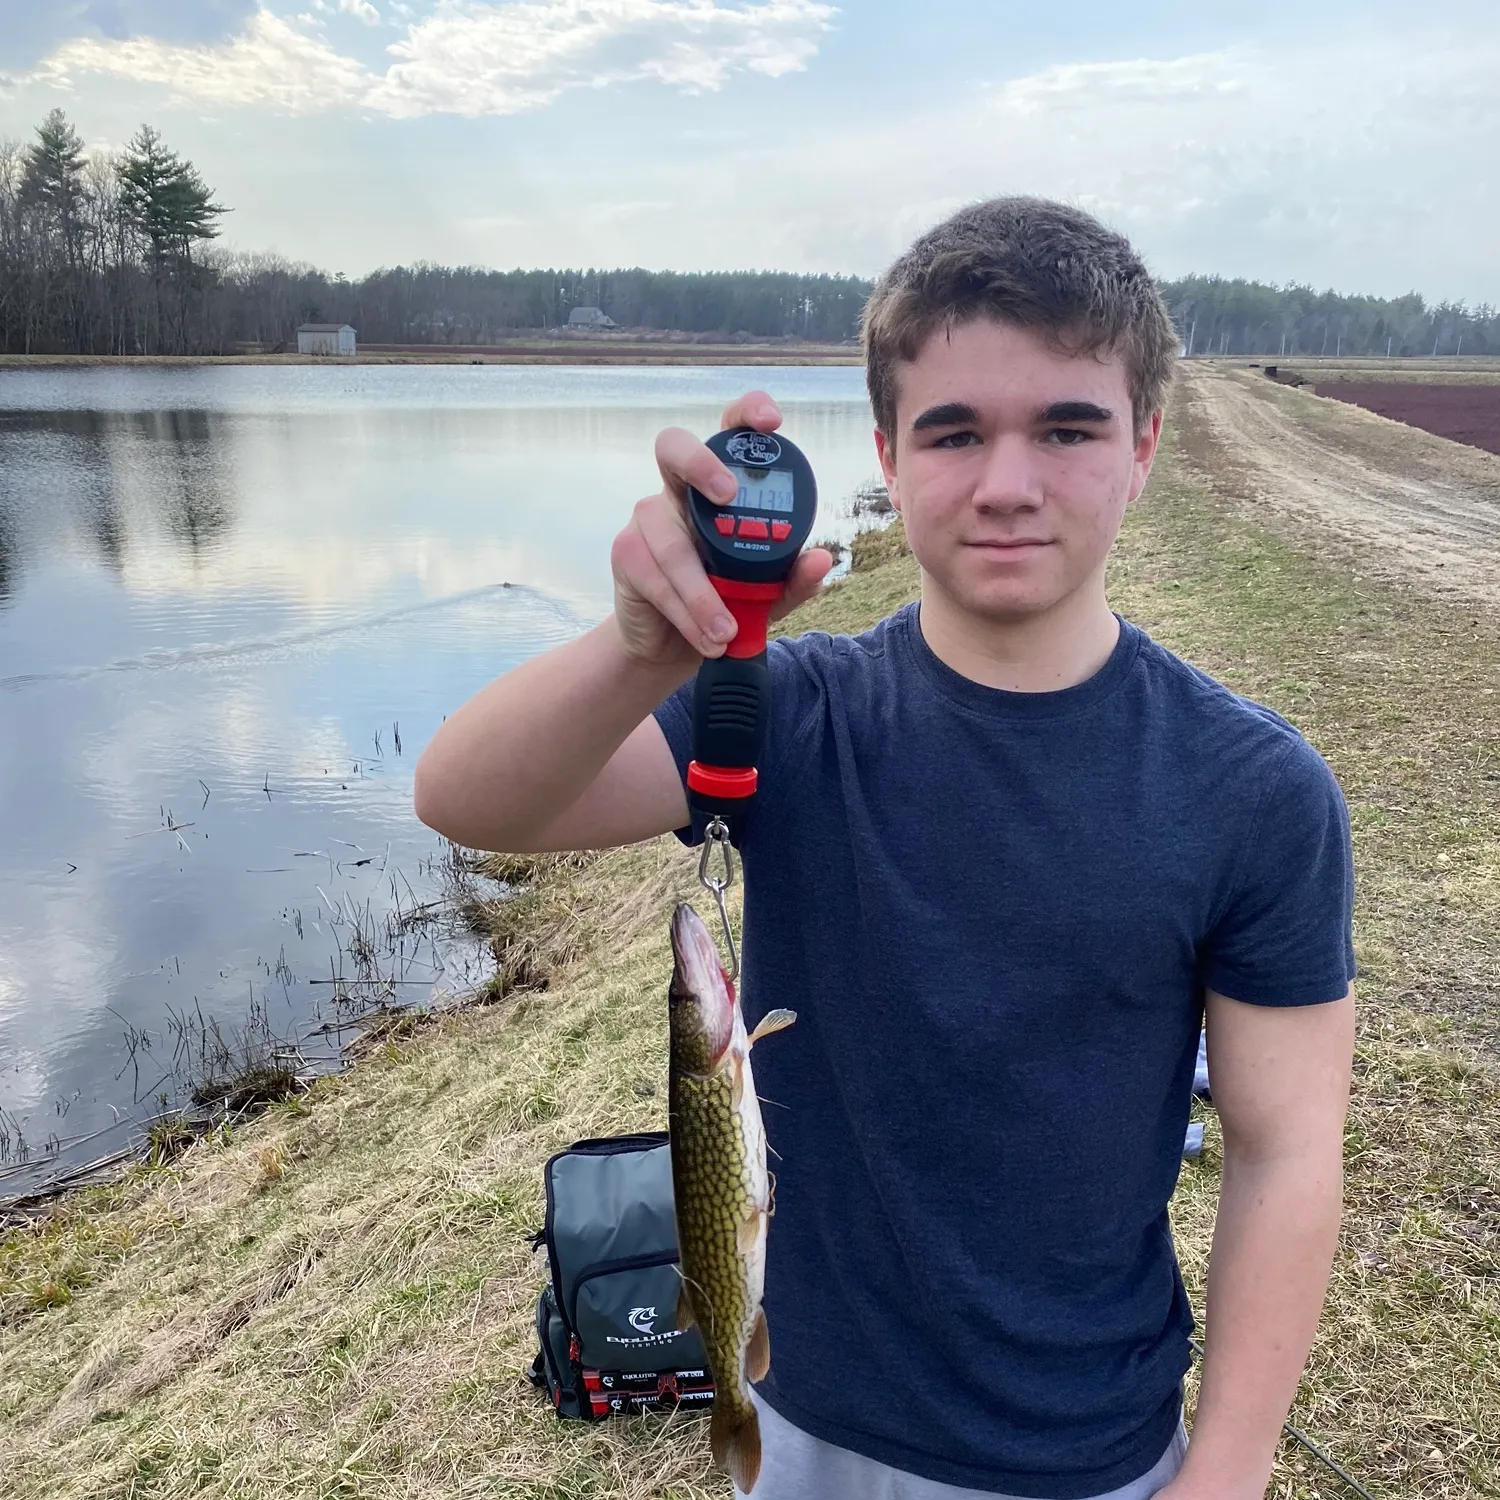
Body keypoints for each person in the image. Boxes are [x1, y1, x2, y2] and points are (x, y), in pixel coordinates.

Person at [414, 197, 1356, 1500]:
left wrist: (1230, 1472)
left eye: (1068, 428)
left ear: (1144, 447)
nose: (1007, 480)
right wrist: (642, 644)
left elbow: (1285, 1148)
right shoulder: (781, 718)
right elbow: (470, 799)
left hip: (1090, 1457)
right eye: (955, 430)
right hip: (798, 1431)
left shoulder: (1257, 794)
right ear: (889, 455)